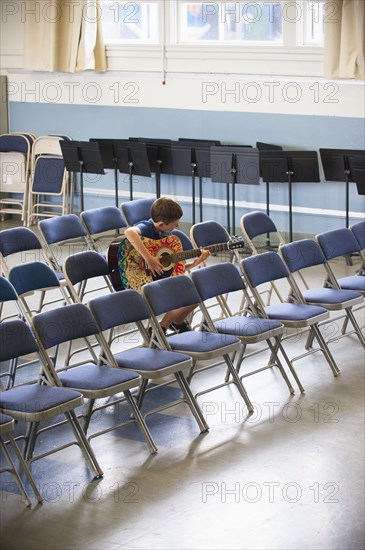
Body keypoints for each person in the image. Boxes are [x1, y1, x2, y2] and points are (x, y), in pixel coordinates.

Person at [124, 197, 211, 333]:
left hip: (159, 280)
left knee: (200, 290)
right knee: (188, 293)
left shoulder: (165, 235)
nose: (177, 226)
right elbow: (129, 232)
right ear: (161, 224)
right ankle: (159, 329)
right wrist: (149, 259)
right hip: (141, 281)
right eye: (175, 224)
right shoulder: (146, 227)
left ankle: (175, 322)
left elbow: (170, 270)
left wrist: (195, 263)